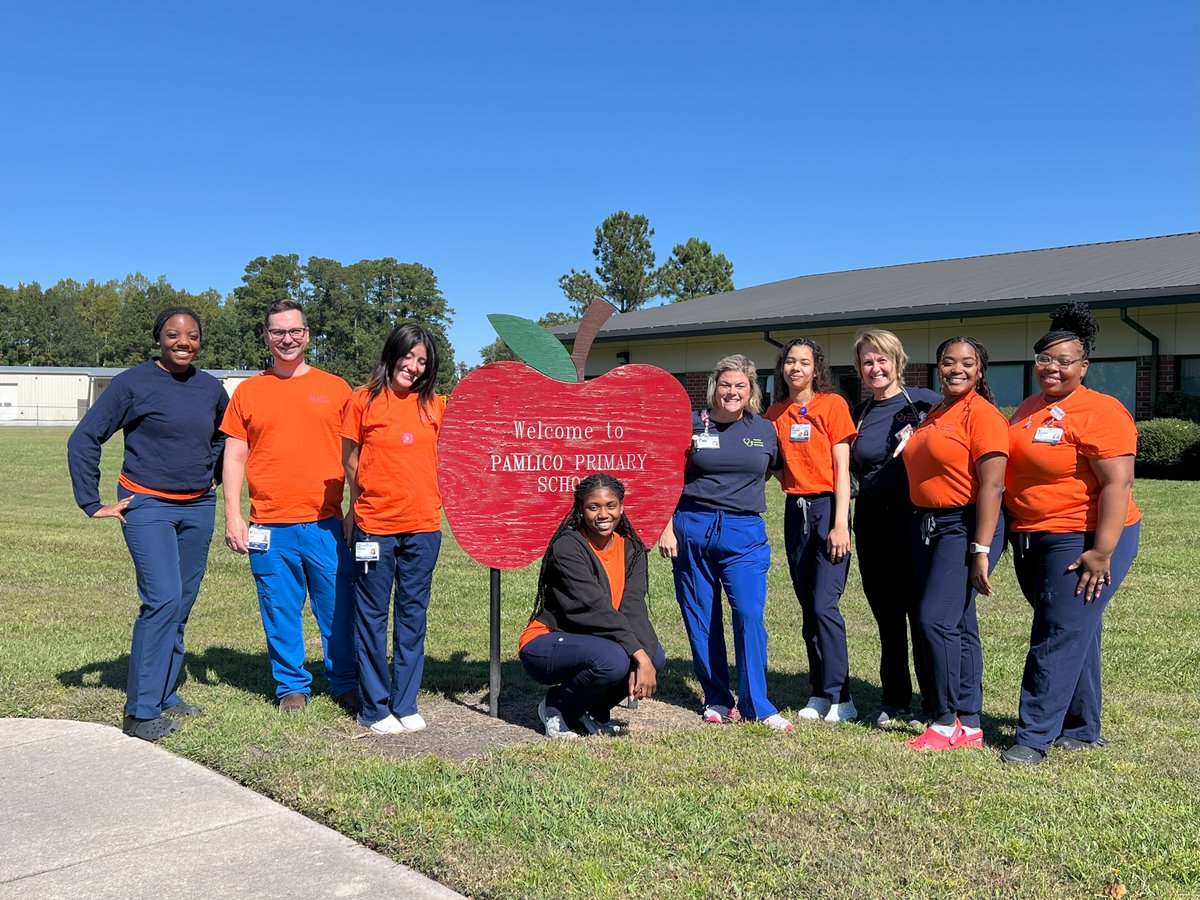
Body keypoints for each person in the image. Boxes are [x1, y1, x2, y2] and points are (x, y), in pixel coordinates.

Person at [67, 306, 227, 742]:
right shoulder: (132, 384)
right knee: (161, 600)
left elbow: (221, 436)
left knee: (182, 603)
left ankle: (165, 692)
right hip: (147, 506)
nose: (183, 342)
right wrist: (91, 501)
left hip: (198, 508)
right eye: (174, 335)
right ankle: (140, 713)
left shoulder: (210, 388)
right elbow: (85, 437)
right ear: (159, 338)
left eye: (192, 336)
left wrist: (209, 475)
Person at [1000, 304, 1140, 765]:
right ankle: (1081, 729)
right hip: (1031, 536)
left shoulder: (1102, 411)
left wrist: (1102, 551)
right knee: (1076, 629)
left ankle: (1034, 737)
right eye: (1045, 359)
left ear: (1084, 366)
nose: (1052, 368)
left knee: (1056, 631)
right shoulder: (1029, 407)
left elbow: (1118, 484)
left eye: (1064, 361)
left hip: (1082, 536)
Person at [220, 299, 357, 713]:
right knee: (279, 609)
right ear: (266, 337)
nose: (287, 339)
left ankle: (345, 680)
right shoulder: (249, 392)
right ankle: (291, 687)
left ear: (308, 334)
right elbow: (235, 456)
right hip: (269, 525)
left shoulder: (336, 389)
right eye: (278, 332)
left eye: (294, 330)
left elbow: (356, 455)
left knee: (337, 609)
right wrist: (232, 514)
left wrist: (355, 510)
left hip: (326, 523)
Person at [659, 355, 792, 732]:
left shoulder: (764, 430)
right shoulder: (690, 424)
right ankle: (716, 697)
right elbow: (668, 476)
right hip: (692, 527)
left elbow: (770, 470)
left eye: (740, 386)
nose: (732, 392)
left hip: (743, 532)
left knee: (749, 614)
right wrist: (666, 528)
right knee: (701, 617)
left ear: (751, 391)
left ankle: (757, 704)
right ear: (714, 386)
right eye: (725, 384)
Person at [901, 336, 1007, 751]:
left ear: (980, 370)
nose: (956, 369)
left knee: (935, 619)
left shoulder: (983, 415)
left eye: (966, 363)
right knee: (960, 623)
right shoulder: (936, 412)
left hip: (965, 524)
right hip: (929, 524)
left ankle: (945, 722)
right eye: (948, 362)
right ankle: (971, 721)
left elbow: (994, 485)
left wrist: (980, 550)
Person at [341, 323, 444, 735]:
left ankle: (405, 701)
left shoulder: (435, 406)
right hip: (375, 527)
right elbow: (350, 459)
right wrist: (361, 500)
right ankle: (374, 708)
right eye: (409, 356)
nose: (414, 367)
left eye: (423, 361)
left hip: (423, 526)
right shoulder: (362, 401)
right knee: (371, 616)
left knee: (412, 615)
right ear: (392, 354)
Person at [518, 474, 666, 739]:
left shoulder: (632, 549)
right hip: (547, 641)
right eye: (593, 507)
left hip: (597, 638)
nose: (603, 514)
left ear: (621, 507)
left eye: (610, 505)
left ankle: (594, 711)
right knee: (614, 659)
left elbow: (633, 607)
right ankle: (556, 707)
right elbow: (595, 608)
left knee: (655, 655)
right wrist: (638, 657)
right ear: (581, 510)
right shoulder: (567, 546)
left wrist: (645, 657)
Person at [849, 330, 941, 727]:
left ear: (898, 361)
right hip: (871, 520)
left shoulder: (926, 403)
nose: (875, 368)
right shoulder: (860, 413)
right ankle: (895, 698)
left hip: (917, 519)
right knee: (887, 614)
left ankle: (935, 702)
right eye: (868, 361)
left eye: (882, 359)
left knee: (923, 614)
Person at [765, 338, 858, 723]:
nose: (796, 368)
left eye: (804, 361)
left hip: (828, 509)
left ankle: (842, 697)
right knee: (808, 608)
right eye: (790, 361)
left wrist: (839, 523)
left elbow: (841, 469)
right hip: (795, 511)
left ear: (815, 367)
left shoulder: (832, 406)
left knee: (825, 605)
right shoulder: (774, 412)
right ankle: (820, 692)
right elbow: (767, 463)